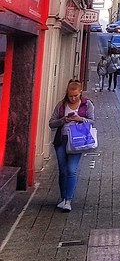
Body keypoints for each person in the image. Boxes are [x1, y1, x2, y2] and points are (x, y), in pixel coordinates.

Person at [47, 79, 95, 212]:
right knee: (62, 171)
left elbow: (92, 121)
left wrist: (81, 119)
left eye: (75, 95)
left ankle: (68, 200)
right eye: (70, 96)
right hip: (61, 141)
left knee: (71, 169)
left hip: (77, 141)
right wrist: (64, 120)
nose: (73, 98)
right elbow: (51, 123)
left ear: (80, 93)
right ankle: (63, 198)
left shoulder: (87, 104)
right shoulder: (61, 105)